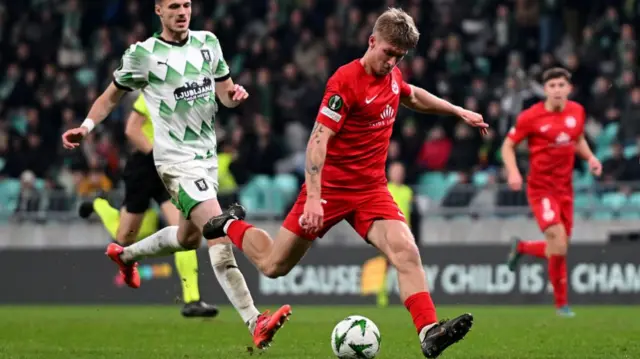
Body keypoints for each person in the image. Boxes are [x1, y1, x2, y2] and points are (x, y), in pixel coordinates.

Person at [202, 8, 488, 358]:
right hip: (330, 190)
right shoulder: (345, 81)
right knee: (274, 266)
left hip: (371, 190)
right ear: (372, 42)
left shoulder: (393, 76)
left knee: (407, 252)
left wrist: (458, 111)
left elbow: (411, 95)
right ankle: (229, 223)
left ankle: (429, 331)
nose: (392, 62)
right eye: (388, 53)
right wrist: (313, 199)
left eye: (399, 57)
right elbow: (318, 141)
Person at [61, 0, 290, 349]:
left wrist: (234, 95)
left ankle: (124, 255)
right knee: (217, 230)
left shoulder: (208, 43)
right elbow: (109, 97)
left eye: (186, 4)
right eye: (173, 6)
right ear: (158, 10)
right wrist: (86, 126)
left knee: (187, 240)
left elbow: (225, 95)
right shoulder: (143, 54)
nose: (182, 12)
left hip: (207, 160)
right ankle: (254, 320)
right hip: (174, 162)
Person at [78, 93, 218, 318]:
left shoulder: (186, 93)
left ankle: (192, 300)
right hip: (145, 167)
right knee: (124, 238)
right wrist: (159, 155)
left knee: (184, 233)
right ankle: (99, 204)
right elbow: (132, 129)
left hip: (171, 169)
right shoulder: (155, 91)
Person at [502, 67, 602, 317]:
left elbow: (577, 138)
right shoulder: (530, 116)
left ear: (569, 88)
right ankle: (561, 304)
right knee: (557, 241)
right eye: (552, 86)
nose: (557, 90)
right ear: (545, 90)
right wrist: (513, 172)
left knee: (560, 248)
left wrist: (590, 158)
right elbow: (507, 146)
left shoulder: (577, 111)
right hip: (541, 189)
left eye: (561, 85)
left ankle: (524, 249)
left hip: (565, 190)